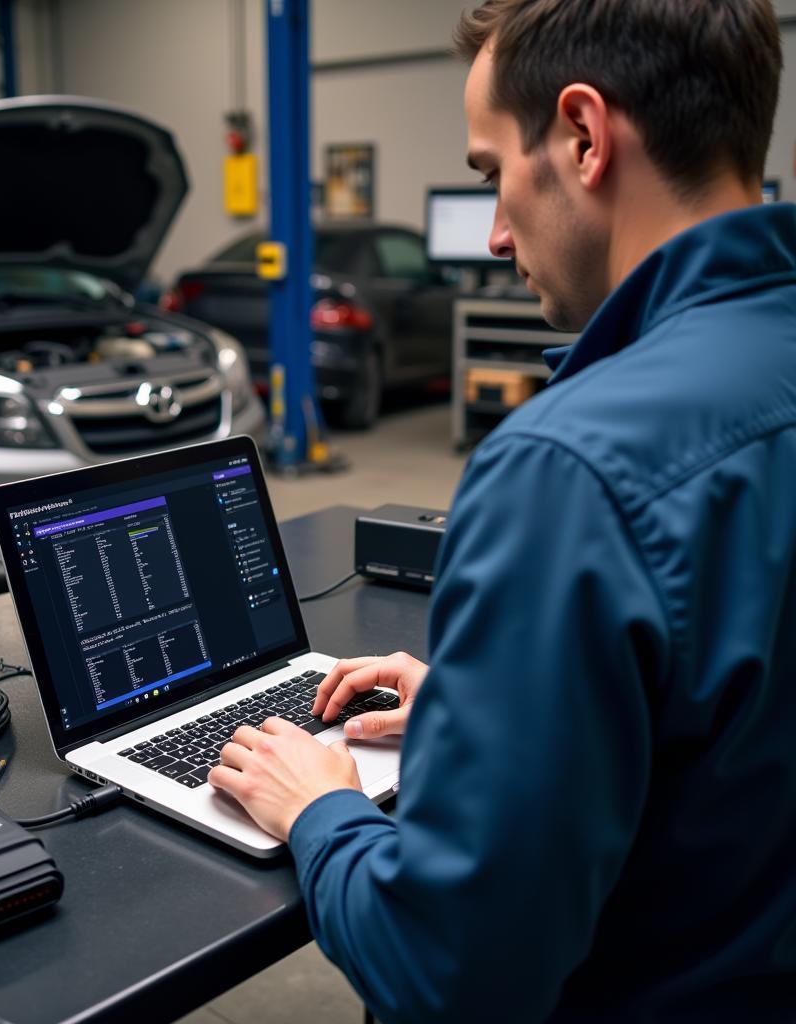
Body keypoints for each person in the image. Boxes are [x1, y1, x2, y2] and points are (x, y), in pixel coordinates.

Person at [209, 1, 796, 1020]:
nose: (491, 232)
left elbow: (451, 974)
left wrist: (323, 810)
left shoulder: (566, 469)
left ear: (581, 135)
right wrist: (483, 710)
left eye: (489, 173)